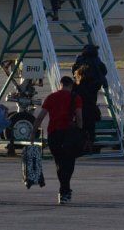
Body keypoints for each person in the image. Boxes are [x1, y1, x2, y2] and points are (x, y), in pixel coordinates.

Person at [32, 76, 83, 205]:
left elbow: (40, 117)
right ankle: (64, 191)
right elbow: (79, 117)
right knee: (69, 163)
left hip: (54, 134)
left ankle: (64, 191)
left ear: (60, 85)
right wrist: (80, 130)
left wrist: (33, 134)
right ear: (71, 85)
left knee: (59, 163)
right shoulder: (75, 98)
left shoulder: (50, 97)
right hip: (69, 134)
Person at [73, 65, 99, 151]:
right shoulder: (94, 85)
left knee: (81, 129)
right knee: (91, 129)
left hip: (81, 111)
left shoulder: (77, 87)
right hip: (92, 111)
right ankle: (90, 144)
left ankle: (83, 145)